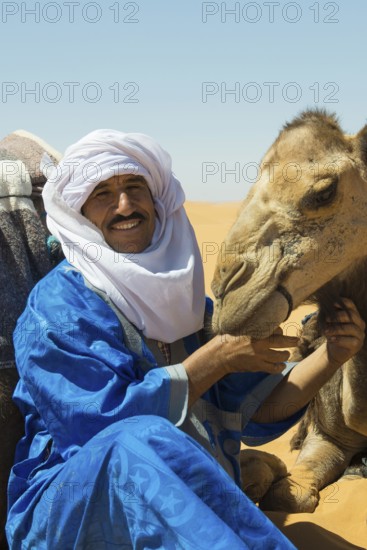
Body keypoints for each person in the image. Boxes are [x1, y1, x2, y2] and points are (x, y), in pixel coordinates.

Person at [6, 130, 365, 549]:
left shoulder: (189, 308)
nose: (124, 205)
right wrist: (215, 359)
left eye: (134, 187)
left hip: (192, 509)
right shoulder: (56, 307)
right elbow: (97, 426)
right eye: (103, 193)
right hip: (73, 513)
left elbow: (258, 413)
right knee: (137, 440)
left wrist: (332, 354)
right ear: (82, 211)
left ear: (156, 200)